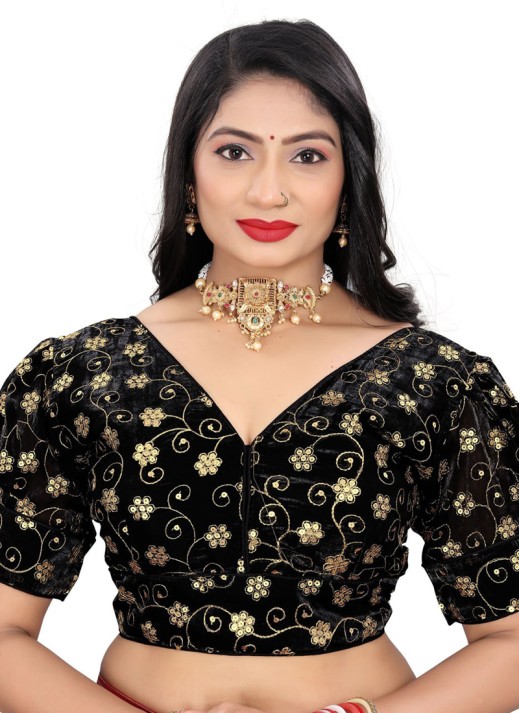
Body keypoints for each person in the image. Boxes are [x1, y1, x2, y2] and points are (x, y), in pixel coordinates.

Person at [1, 17, 519, 713]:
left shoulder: (437, 384)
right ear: (188, 174)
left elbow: (509, 637)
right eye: (234, 151)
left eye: (307, 155)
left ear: (348, 179)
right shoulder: (80, 375)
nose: (268, 191)